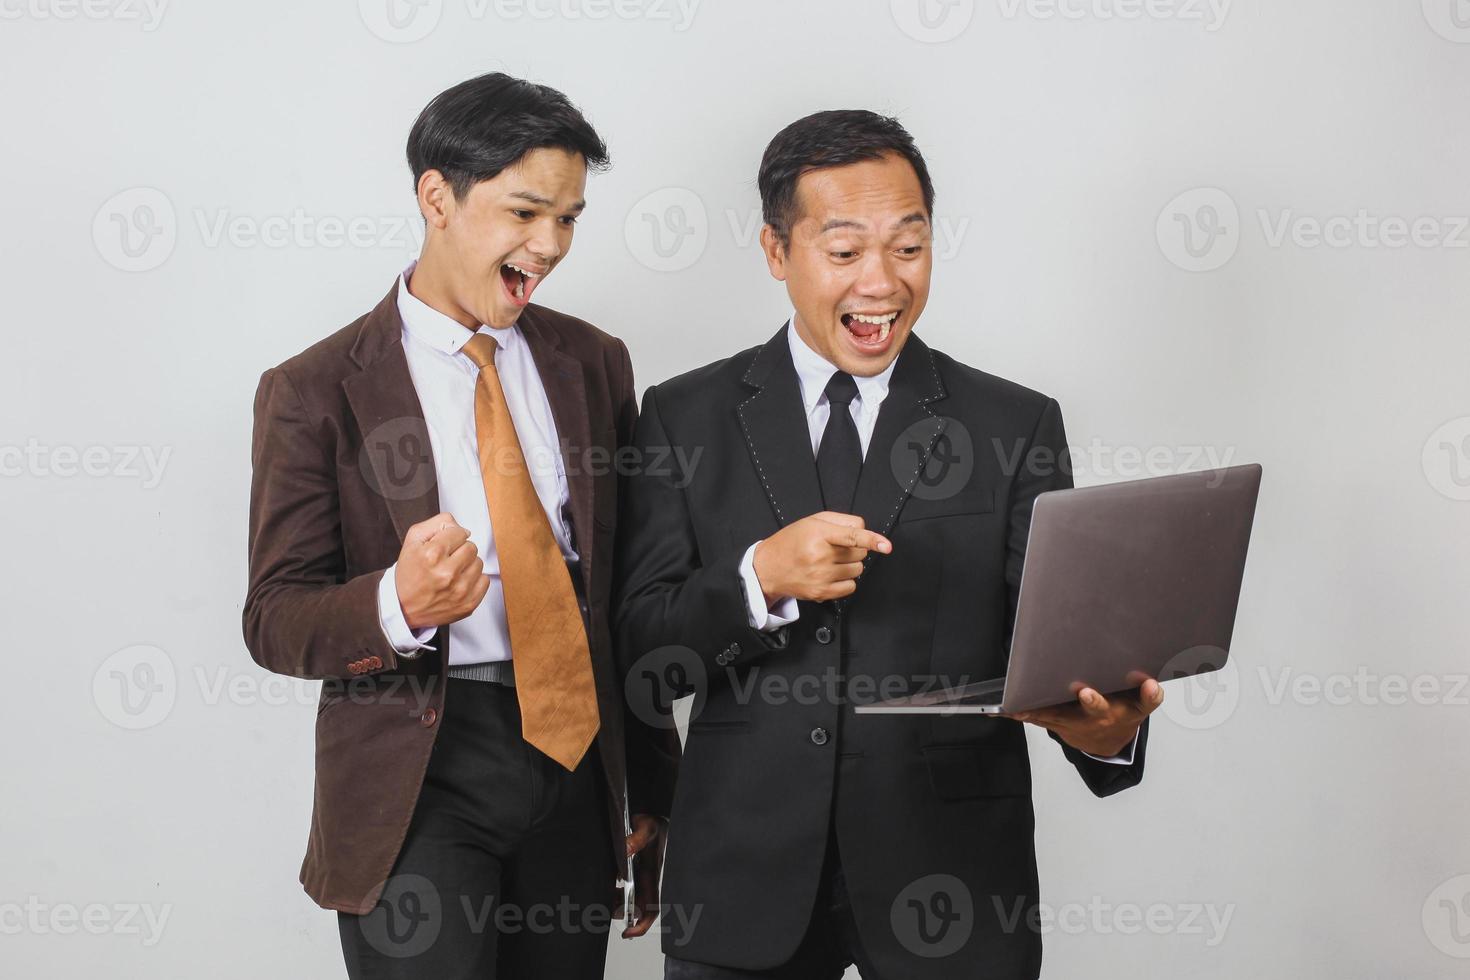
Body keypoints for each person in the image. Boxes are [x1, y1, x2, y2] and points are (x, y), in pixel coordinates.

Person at [614, 109, 1162, 979]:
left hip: (953, 878)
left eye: (908, 248)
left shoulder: (1014, 424)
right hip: (743, 876)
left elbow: (1053, 648)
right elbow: (641, 647)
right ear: (774, 251)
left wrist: (1106, 732)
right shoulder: (684, 417)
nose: (882, 283)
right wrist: (759, 580)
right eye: (843, 252)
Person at [243, 72, 676, 979]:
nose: (550, 245)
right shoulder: (313, 391)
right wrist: (396, 604)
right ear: (436, 197)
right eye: (525, 213)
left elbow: (627, 593)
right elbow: (274, 618)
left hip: (573, 750)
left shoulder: (594, 363)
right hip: (420, 769)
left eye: (569, 218)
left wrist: (653, 785)